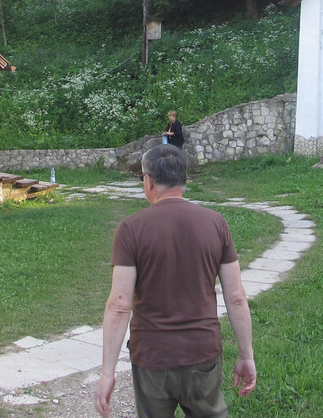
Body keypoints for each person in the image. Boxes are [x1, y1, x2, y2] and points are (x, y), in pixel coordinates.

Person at [93, 144, 256, 418]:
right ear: (185, 180)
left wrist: (107, 373)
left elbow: (120, 306)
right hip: (202, 353)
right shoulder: (216, 223)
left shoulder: (130, 229)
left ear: (149, 181)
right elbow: (236, 296)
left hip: (153, 358)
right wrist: (246, 355)